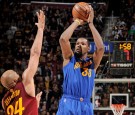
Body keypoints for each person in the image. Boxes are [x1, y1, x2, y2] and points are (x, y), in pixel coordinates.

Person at [57, 6, 104, 115]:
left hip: (86, 105)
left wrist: (91, 24)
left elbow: (101, 48)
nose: (79, 45)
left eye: (82, 44)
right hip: (68, 102)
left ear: (88, 48)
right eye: (77, 43)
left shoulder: (92, 64)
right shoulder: (69, 59)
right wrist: (77, 21)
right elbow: (63, 39)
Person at [0, 10, 45, 115]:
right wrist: (40, 30)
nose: (17, 72)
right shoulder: (25, 82)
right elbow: (34, 54)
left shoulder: (4, 102)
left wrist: (34, 104)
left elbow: (22, 109)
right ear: (14, 81)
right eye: (14, 73)